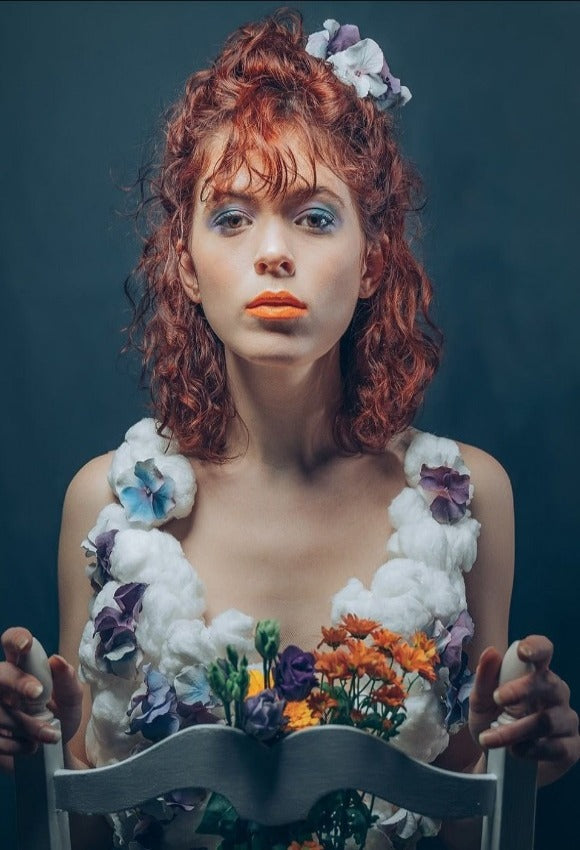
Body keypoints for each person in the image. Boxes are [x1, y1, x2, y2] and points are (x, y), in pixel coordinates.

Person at [1, 10, 578, 850]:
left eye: (314, 217)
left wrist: (529, 756)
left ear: (374, 258)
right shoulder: (108, 508)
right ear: (188, 265)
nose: (273, 253)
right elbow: (88, 834)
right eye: (231, 218)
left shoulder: (466, 501)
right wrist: (41, 757)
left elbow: (467, 815)